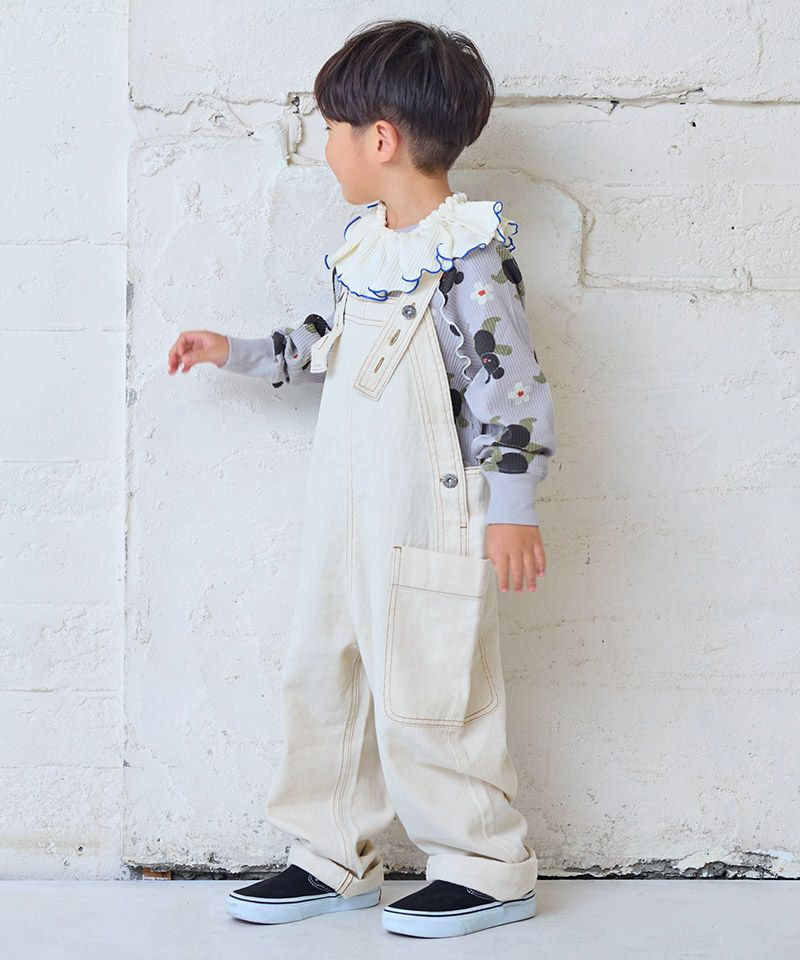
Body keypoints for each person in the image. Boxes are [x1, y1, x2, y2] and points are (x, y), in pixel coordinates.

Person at [167, 18, 556, 940]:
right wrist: (238, 351)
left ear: (380, 140)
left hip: (431, 509)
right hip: (347, 503)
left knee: (431, 684)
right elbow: (332, 344)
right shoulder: (369, 247)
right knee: (324, 668)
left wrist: (513, 508)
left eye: (333, 129)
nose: (325, 146)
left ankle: (486, 866)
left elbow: (511, 387)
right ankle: (330, 853)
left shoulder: (467, 259)